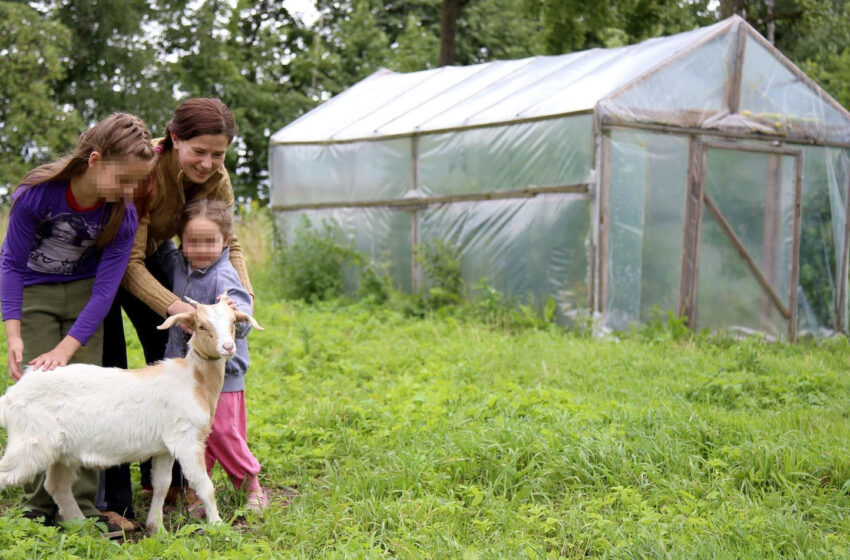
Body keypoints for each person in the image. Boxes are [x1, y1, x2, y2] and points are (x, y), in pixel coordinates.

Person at [99, 98, 254, 523]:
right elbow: (129, 263)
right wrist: (182, 308)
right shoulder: (145, 170)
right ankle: (112, 500)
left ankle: (166, 480)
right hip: (107, 260)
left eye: (217, 154)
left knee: (169, 356)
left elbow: (232, 243)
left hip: (153, 255)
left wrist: (242, 299)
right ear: (174, 139)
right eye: (197, 151)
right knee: (111, 362)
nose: (207, 163)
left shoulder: (217, 177)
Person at [0, 112, 155, 535]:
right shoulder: (37, 195)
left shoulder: (120, 216)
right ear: (94, 159)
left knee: (85, 403)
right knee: (38, 394)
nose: (128, 193)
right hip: (34, 295)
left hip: (87, 302)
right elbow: (11, 262)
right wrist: (13, 332)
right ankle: (37, 509)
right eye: (122, 180)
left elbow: (105, 292)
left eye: (134, 184)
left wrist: (67, 349)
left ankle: (81, 508)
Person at [159, 198, 267, 513]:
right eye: (193, 241)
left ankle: (252, 485)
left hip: (223, 374)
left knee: (222, 431)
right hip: (188, 370)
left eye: (211, 241)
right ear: (181, 240)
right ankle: (201, 493)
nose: (202, 248)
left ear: (224, 242)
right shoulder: (180, 264)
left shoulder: (224, 275)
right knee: (195, 430)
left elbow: (241, 311)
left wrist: (234, 313)